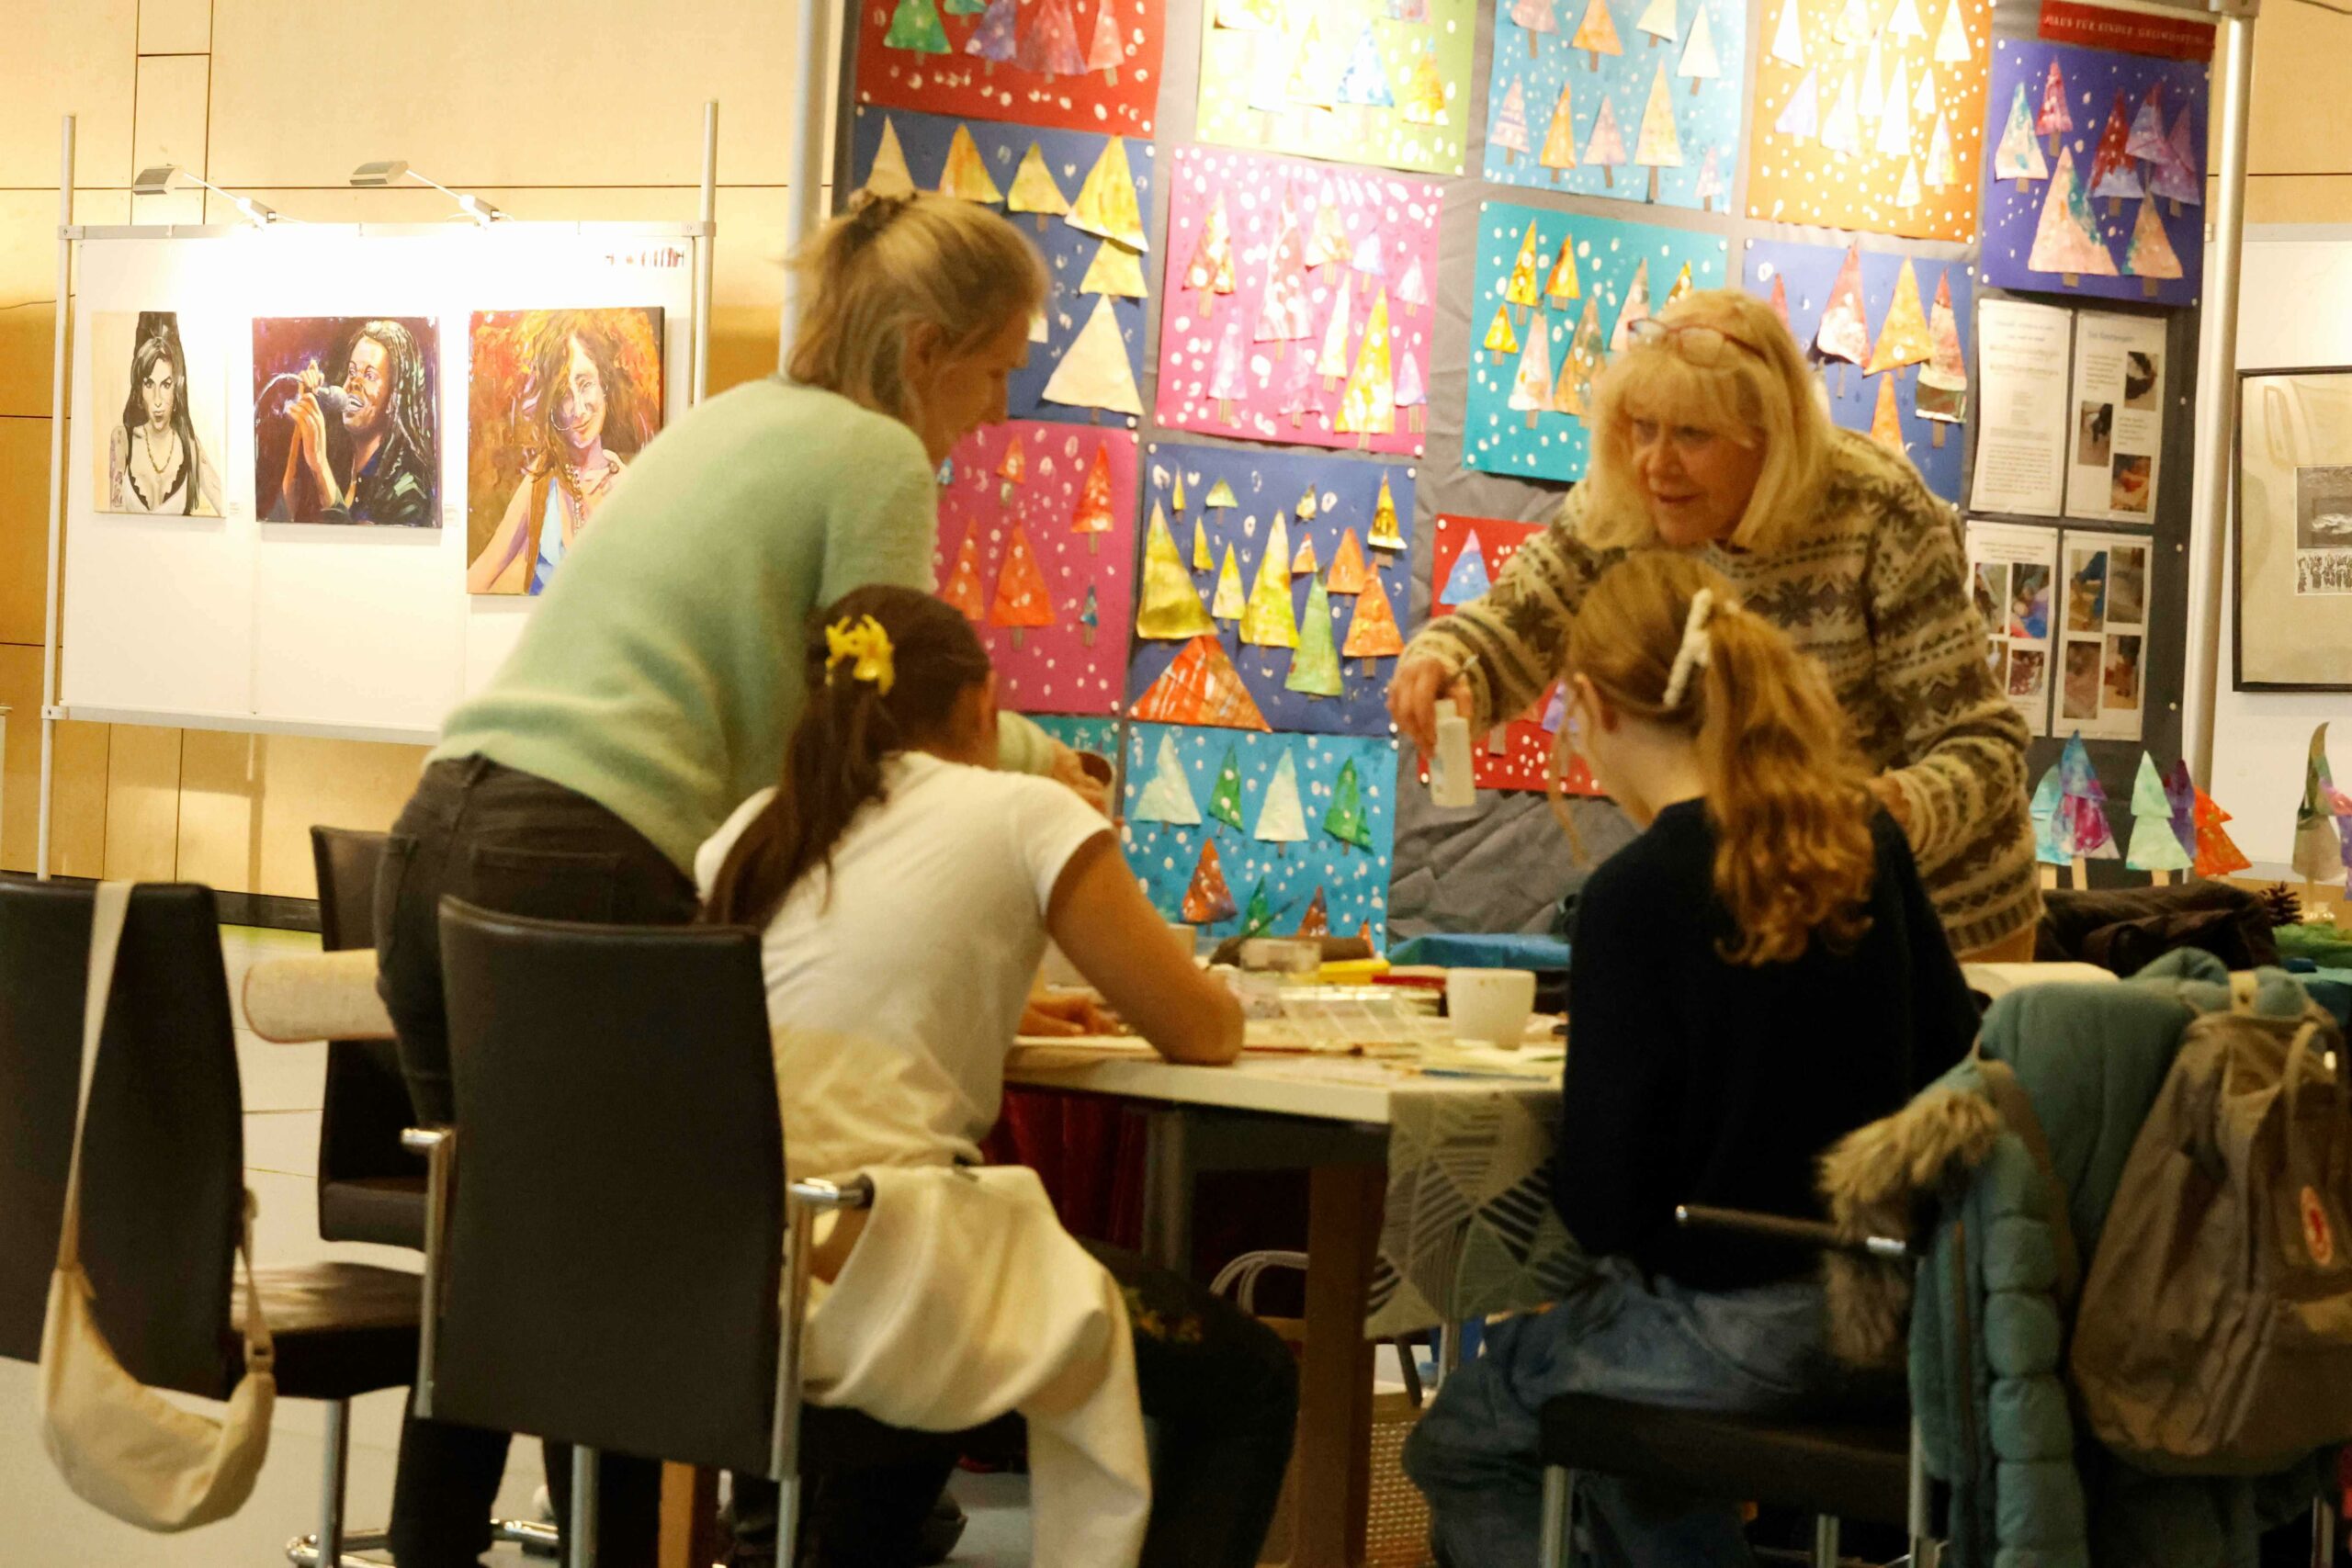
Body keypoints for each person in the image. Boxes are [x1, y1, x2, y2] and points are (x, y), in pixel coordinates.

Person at [372, 192, 1097, 1567]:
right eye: (997, 369)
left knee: (503, 1279)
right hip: (582, 857)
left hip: (438, 832)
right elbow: (882, 721)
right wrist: (1050, 767)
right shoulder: (879, 453)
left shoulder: (728, 419)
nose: (999, 408)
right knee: (636, 1294)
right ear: (926, 349)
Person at [698, 585, 1296, 1568]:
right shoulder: (1026, 812)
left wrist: (999, 1012)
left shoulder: (755, 832)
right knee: (1251, 1382)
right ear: (983, 705)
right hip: (885, 1273)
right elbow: (1199, 1029)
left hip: (731, 1268)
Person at [1402, 552, 1979, 1567]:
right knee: (1632, 1451)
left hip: (1739, 1331)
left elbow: (1605, 1202)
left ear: (1591, 705)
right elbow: (1953, 1060)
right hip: (1905, 1318)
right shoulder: (1867, 846)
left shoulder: (1634, 892)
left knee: (1464, 1439)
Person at [1389, 289, 2040, 963]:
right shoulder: (1631, 493)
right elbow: (1521, 617)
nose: (1657, 462)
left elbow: (1982, 747)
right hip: (1771, 896)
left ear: (1771, 434)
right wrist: (1450, 660)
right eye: (1643, 427)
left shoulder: (1878, 510)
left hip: (1941, 916)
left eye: (1692, 435)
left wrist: (1882, 810)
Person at [467, 311, 657, 594]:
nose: (578, 409)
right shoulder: (541, 481)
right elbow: (480, 575)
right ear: (551, 407)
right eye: (564, 395)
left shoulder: (630, 482)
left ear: (603, 384)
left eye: (585, 384)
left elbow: (657, 585)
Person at [276, 318, 437, 525]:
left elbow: (352, 540)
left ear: (393, 398)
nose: (354, 383)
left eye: (370, 375)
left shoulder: (408, 491)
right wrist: (304, 413)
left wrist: (320, 468)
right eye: (352, 372)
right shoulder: (339, 457)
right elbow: (284, 514)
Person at [107, 313, 222, 515]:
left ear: (176, 388)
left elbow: (225, 504)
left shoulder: (190, 446)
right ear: (139, 390)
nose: (158, 399)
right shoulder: (122, 440)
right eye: (149, 384)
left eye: (166, 385)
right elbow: (113, 518)